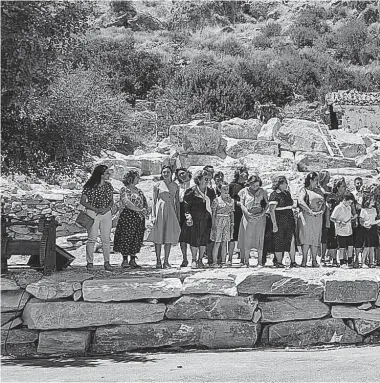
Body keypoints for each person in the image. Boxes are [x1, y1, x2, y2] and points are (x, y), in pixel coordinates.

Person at [80, 165, 114, 271]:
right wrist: (95, 208)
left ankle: (107, 262)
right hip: (93, 213)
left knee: (106, 238)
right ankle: (89, 262)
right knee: (92, 238)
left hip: (106, 213)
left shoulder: (108, 186)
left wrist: (107, 208)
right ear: (101, 174)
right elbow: (83, 201)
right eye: (107, 173)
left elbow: (112, 200)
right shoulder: (90, 186)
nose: (109, 175)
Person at [180, 170, 216, 269]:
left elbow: (213, 205)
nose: (207, 181)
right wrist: (188, 216)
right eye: (205, 179)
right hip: (195, 220)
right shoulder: (191, 191)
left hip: (206, 219)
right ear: (199, 180)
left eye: (208, 179)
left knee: (204, 240)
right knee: (194, 240)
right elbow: (186, 206)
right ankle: (194, 260)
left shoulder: (211, 192)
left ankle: (200, 260)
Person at [147, 165, 181, 269]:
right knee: (159, 236)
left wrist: (178, 216)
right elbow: (154, 201)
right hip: (160, 210)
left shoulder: (176, 186)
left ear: (171, 174)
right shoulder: (157, 185)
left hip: (171, 211)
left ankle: (166, 261)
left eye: (167, 172)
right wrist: (153, 215)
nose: (165, 174)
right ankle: (158, 260)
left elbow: (177, 202)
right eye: (164, 172)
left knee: (168, 236)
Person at [113, 170, 148, 269]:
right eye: (137, 177)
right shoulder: (125, 189)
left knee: (137, 237)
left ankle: (133, 259)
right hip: (128, 217)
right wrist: (139, 210)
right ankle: (124, 260)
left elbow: (144, 201)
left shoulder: (139, 190)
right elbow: (126, 202)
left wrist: (145, 209)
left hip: (139, 217)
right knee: (126, 236)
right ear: (131, 178)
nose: (139, 179)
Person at [238, 175, 268, 268]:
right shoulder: (243, 191)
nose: (255, 187)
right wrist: (247, 213)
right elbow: (242, 204)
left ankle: (259, 262)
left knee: (259, 238)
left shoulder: (263, 191)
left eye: (257, 185)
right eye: (253, 185)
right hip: (248, 217)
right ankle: (246, 262)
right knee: (247, 237)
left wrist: (262, 213)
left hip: (260, 217)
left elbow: (267, 204)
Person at [298, 172, 325, 268]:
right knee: (306, 238)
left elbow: (324, 203)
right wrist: (310, 211)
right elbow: (300, 201)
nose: (317, 182)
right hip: (307, 216)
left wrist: (322, 211)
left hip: (318, 217)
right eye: (316, 180)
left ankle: (314, 260)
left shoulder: (319, 191)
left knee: (315, 238)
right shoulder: (304, 190)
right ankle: (304, 259)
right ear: (310, 180)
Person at [268, 176, 296, 268]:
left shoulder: (287, 193)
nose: (286, 185)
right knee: (279, 239)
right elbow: (272, 210)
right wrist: (274, 224)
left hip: (289, 218)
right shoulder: (274, 195)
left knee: (291, 239)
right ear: (278, 184)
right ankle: (279, 261)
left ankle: (293, 261)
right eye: (284, 183)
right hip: (280, 219)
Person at [227, 166, 249, 265]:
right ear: (239, 173)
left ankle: (243, 259)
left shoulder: (248, 186)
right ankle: (230, 258)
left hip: (244, 214)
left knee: (243, 235)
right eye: (245, 173)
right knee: (232, 236)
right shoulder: (232, 185)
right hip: (234, 213)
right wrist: (238, 203)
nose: (247, 175)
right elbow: (229, 199)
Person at [210, 182, 234, 267]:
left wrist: (232, 224)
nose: (226, 190)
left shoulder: (231, 200)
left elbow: (231, 213)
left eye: (227, 189)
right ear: (220, 190)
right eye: (224, 189)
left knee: (225, 242)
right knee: (217, 242)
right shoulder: (216, 200)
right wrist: (213, 224)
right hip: (218, 220)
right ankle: (214, 262)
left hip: (227, 220)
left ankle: (223, 261)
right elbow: (213, 213)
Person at [330, 192, 356, 268]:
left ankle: (350, 261)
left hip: (349, 230)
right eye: (349, 202)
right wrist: (340, 222)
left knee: (350, 246)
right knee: (342, 247)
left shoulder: (349, 207)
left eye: (351, 203)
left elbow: (349, 216)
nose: (350, 204)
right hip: (341, 230)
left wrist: (352, 218)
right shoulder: (338, 207)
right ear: (344, 200)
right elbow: (332, 218)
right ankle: (342, 262)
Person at [325, 178, 347, 267]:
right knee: (332, 239)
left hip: (344, 222)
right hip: (333, 221)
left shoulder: (346, 197)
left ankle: (343, 259)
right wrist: (327, 220)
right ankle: (334, 259)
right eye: (343, 186)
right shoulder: (331, 197)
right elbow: (327, 209)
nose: (345, 188)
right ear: (337, 187)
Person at [175, 167, 192, 267]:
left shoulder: (194, 183)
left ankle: (196, 258)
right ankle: (184, 258)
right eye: (179, 174)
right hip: (181, 210)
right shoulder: (177, 186)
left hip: (193, 209)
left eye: (183, 173)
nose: (182, 175)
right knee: (183, 236)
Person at [359, 193, 379, 268]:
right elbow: (361, 220)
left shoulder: (374, 209)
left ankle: (371, 262)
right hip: (366, 229)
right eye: (372, 199)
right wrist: (365, 225)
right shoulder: (363, 210)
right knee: (366, 246)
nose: (374, 201)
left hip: (373, 228)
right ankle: (363, 262)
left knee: (372, 246)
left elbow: (375, 218)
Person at [318, 170, 332, 264]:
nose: (328, 178)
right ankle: (321, 255)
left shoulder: (330, 188)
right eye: (327, 177)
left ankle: (328, 254)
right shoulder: (318, 188)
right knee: (322, 234)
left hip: (331, 211)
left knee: (328, 234)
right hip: (322, 212)